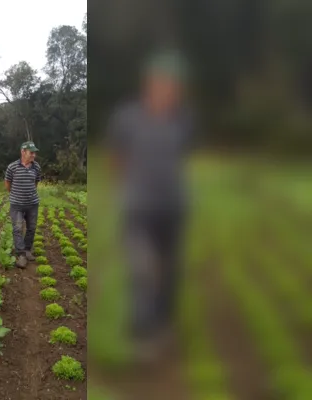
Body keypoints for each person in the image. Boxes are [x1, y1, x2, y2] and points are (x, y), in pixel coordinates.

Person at [106, 49, 194, 360]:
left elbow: (183, 157)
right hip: (138, 208)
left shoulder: (183, 119)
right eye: (161, 83)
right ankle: (143, 335)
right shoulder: (127, 117)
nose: (166, 90)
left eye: (172, 85)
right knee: (142, 269)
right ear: (149, 84)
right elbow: (116, 156)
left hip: (173, 208)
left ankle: (162, 325)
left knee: (169, 271)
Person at [4, 141, 42, 268]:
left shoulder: (36, 167)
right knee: (17, 228)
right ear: (23, 152)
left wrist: (29, 195)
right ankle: (21, 254)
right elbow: (7, 184)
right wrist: (17, 195)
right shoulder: (12, 167)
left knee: (31, 228)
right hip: (17, 205)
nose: (33, 155)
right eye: (31, 153)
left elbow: (35, 183)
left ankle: (27, 250)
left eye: (34, 153)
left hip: (32, 204)